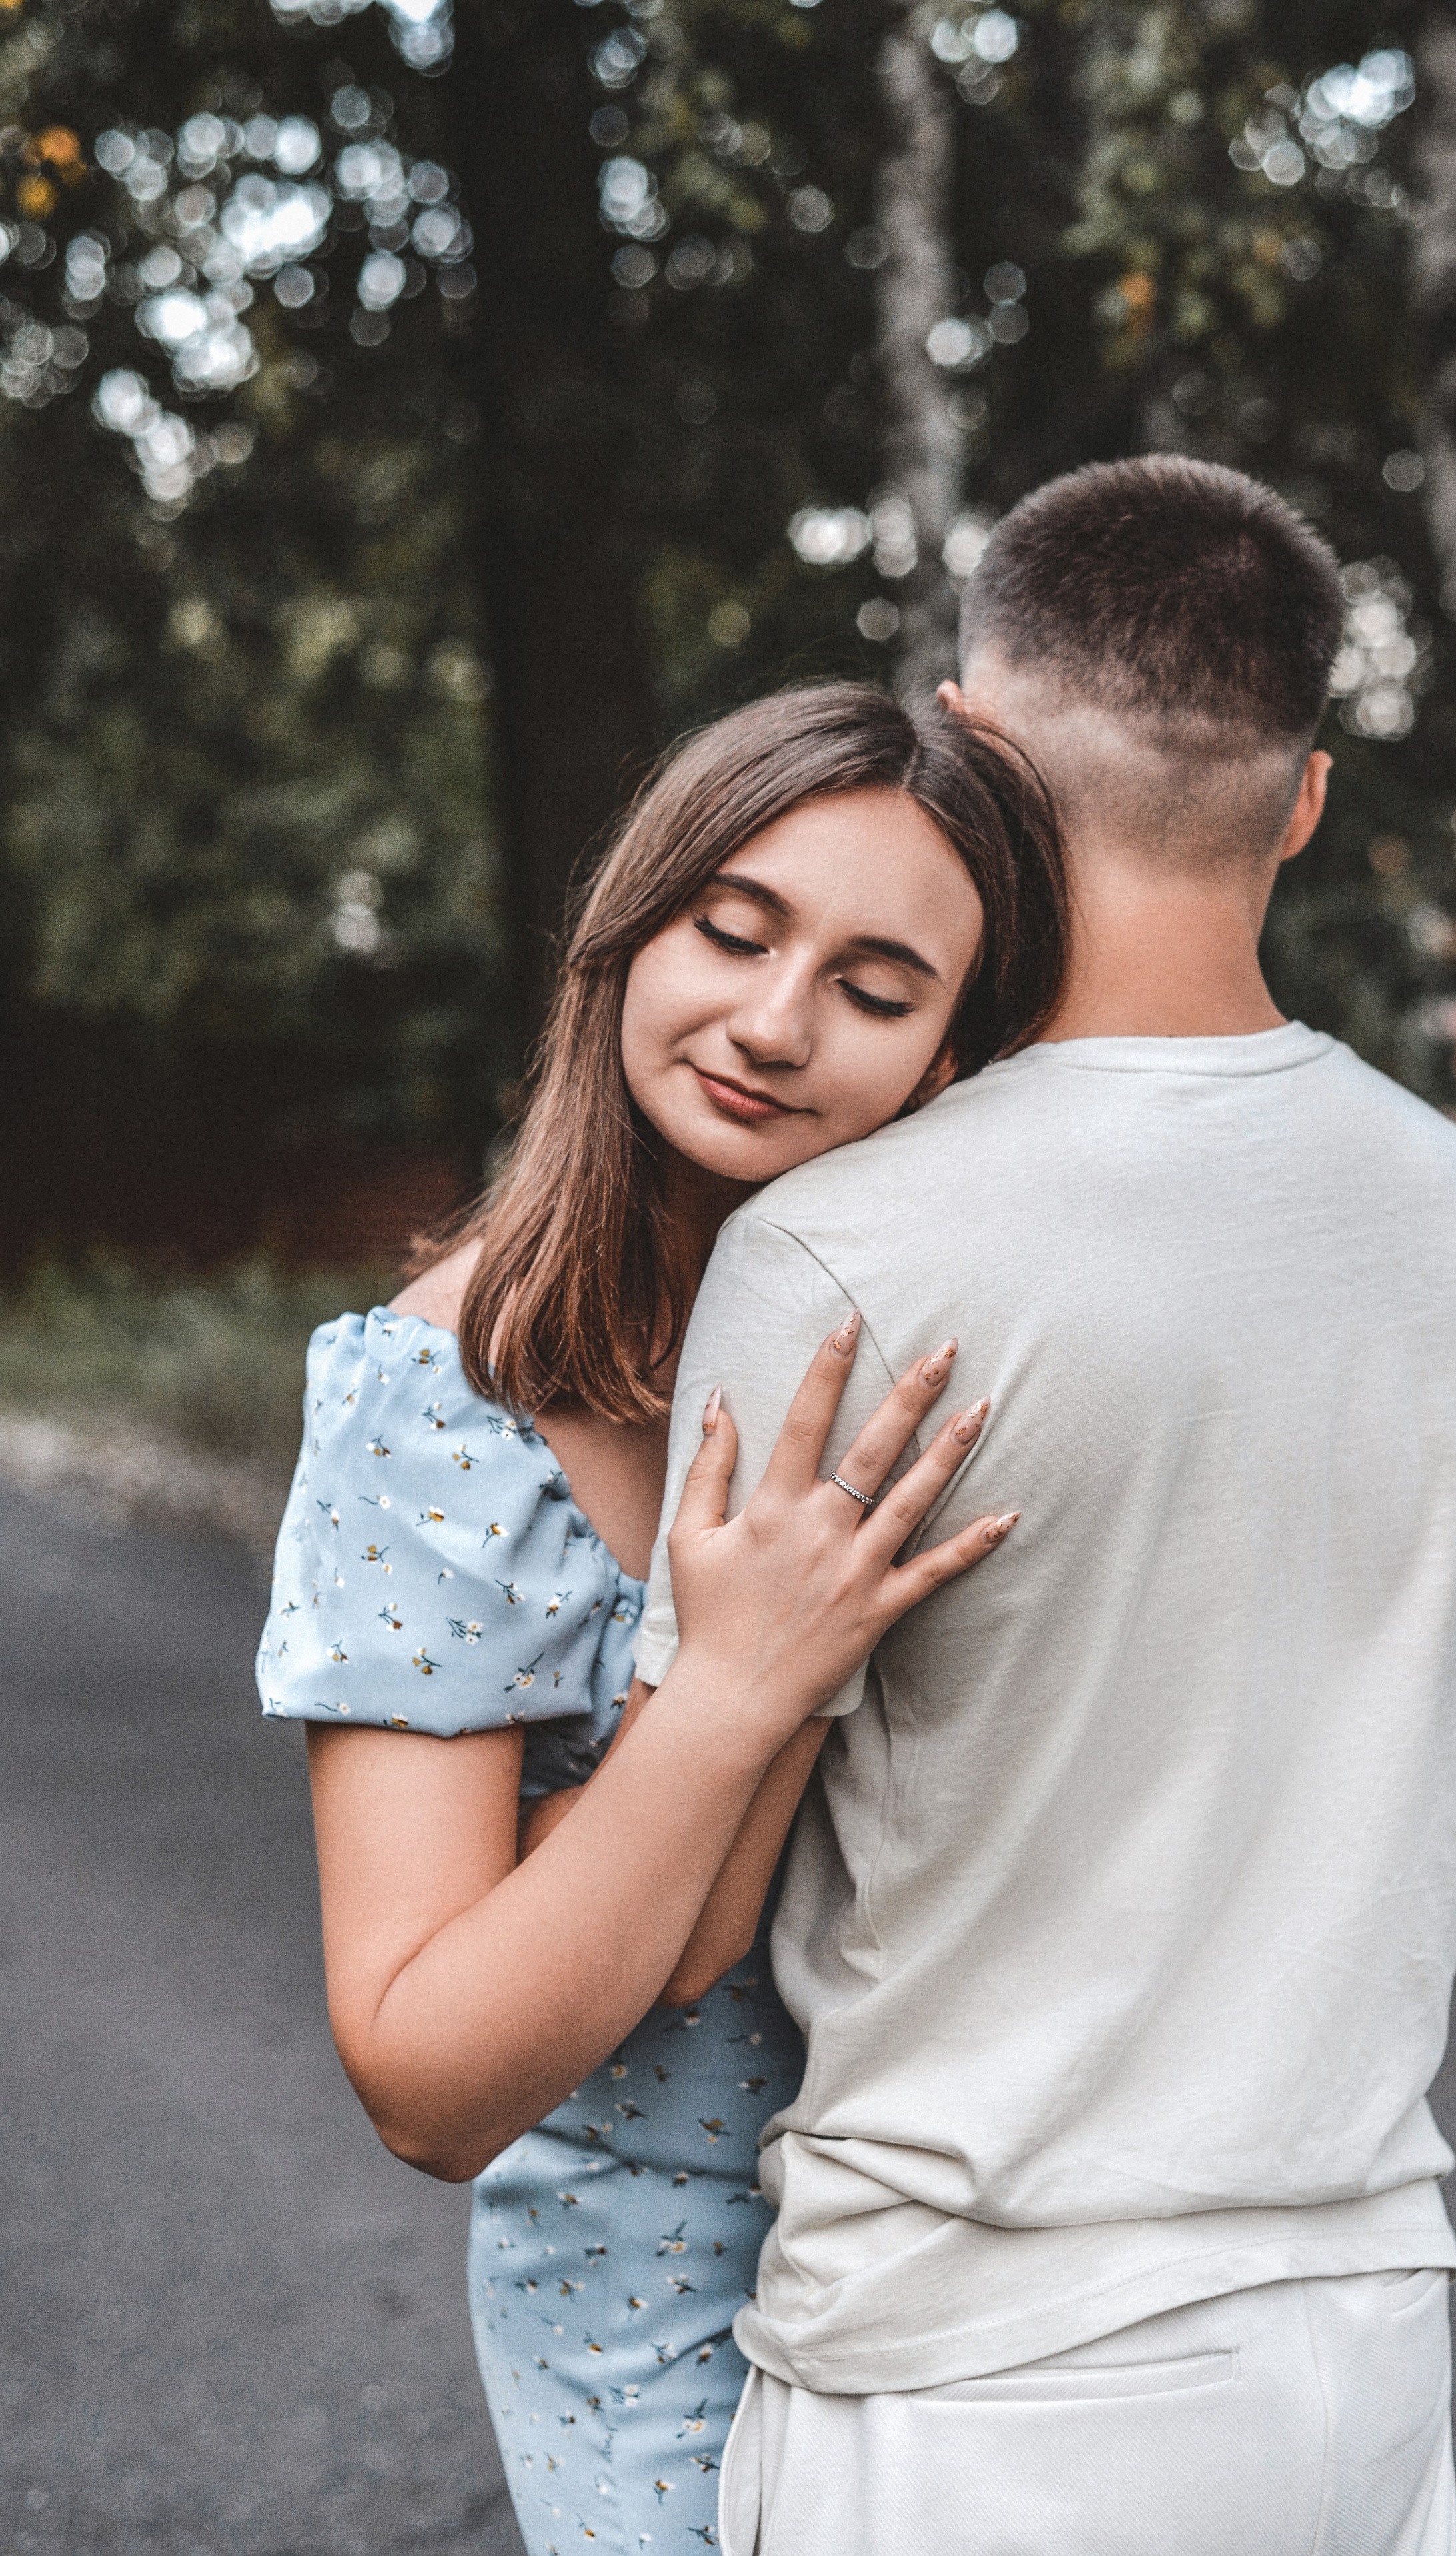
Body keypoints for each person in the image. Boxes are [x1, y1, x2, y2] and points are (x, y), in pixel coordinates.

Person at [630, 457, 1456, 2556]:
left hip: (988, 2366)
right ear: (1307, 798)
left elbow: (690, 1919)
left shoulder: (840, 1249)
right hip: (1366, 2332)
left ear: (969, 738)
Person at [253, 682, 1068, 2555]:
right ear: (630, 920)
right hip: (664, 2314)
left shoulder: (962, 1352)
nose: (775, 1027)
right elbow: (428, 2073)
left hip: (997, 2263)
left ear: (958, 1052)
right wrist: (742, 1683)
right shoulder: (442, 1403)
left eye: (876, 989)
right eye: (735, 928)